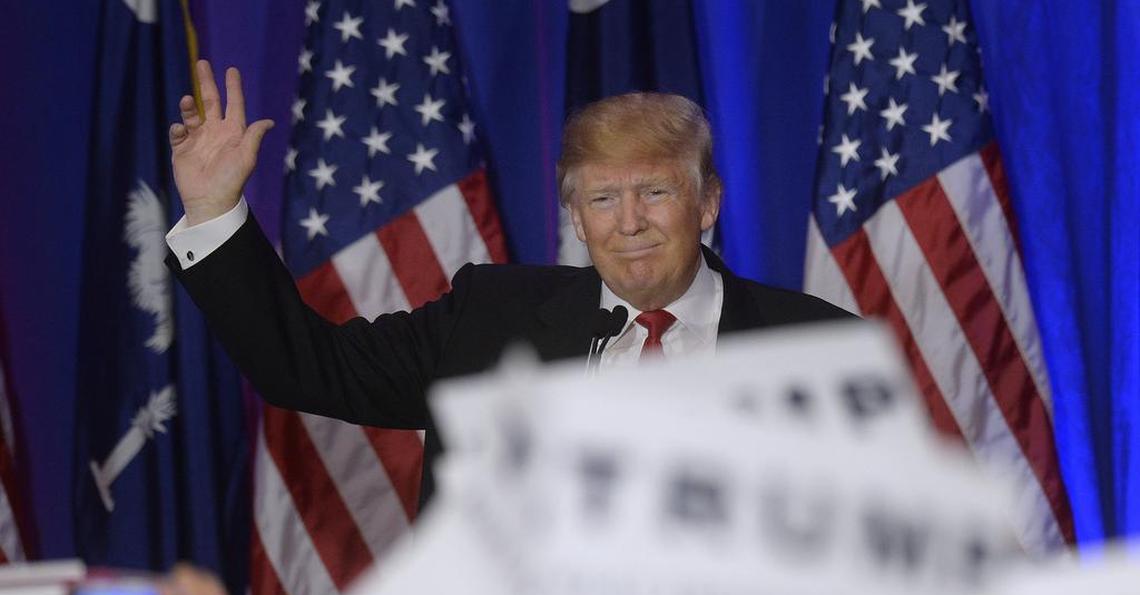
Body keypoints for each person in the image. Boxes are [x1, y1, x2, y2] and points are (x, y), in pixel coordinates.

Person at [165, 60, 852, 506]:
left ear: (706, 203)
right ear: (575, 215)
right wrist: (212, 211)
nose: (631, 222)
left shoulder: (818, 343)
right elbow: (305, 368)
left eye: (656, 192)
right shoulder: (487, 320)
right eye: (604, 199)